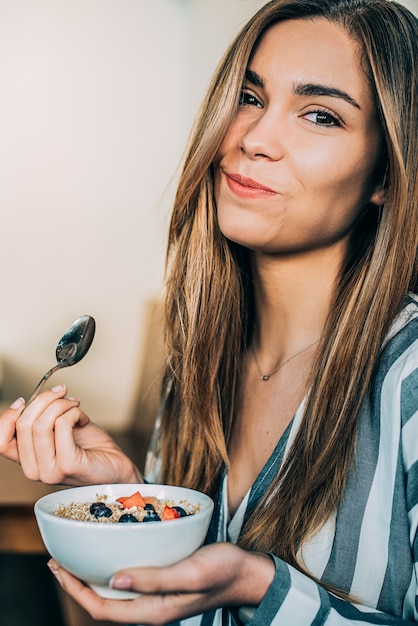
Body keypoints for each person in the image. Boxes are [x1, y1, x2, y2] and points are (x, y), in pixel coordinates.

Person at [1, 0, 418, 624]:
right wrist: (123, 501)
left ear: (386, 172)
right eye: (250, 98)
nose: (253, 138)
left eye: (320, 115)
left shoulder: (407, 377)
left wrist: (256, 585)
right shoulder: (197, 357)